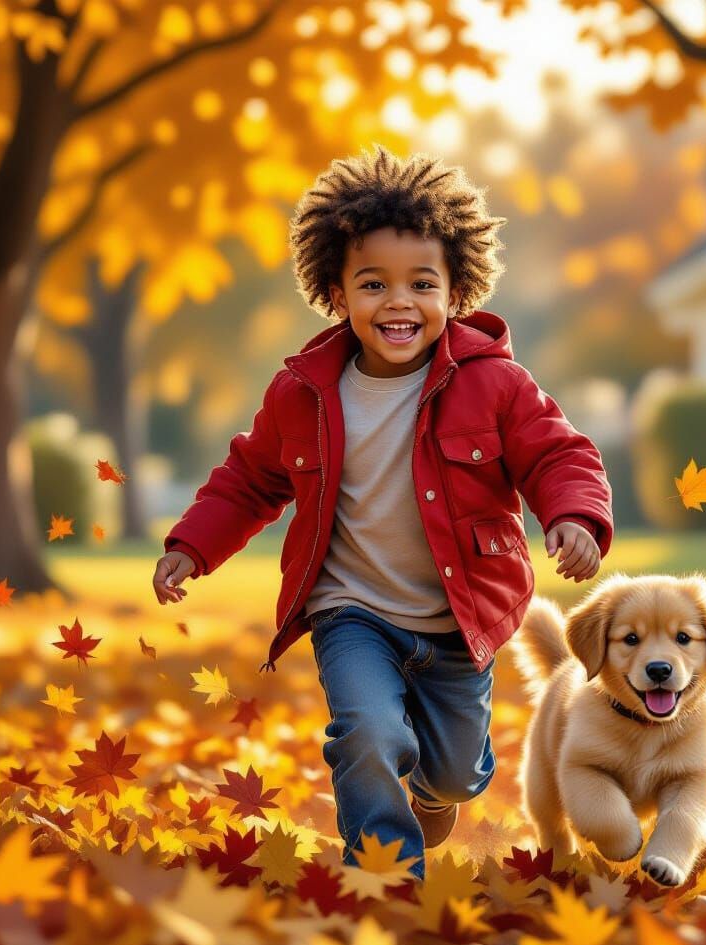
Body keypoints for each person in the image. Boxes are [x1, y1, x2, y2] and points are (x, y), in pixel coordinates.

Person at [152, 144, 614, 881]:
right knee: (363, 731)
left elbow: (558, 455)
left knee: (460, 772)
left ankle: (436, 790)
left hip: (459, 619)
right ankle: (387, 876)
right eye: (373, 284)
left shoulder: (495, 385)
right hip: (352, 612)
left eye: (421, 284)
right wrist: (191, 546)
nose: (399, 302)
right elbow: (247, 479)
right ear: (335, 292)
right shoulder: (303, 393)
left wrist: (575, 518)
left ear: (455, 290)